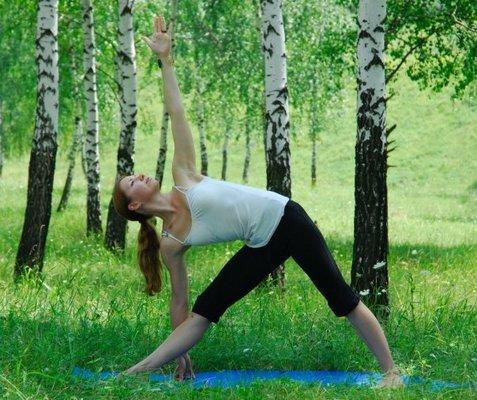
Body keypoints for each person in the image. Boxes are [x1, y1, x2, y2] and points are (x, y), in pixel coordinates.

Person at [112, 15, 404, 388]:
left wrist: (165, 61)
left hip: (287, 219)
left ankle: (391, 374)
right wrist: (180, 352)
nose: (138, 175)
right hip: (261, 244)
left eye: (134, 173)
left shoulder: (183, 174)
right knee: (206, 308)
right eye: (131, 183)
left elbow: (177, 112)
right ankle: (135, 373)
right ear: (134, 206)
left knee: (341, 297)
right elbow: (179, 304)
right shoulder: (170, 244)